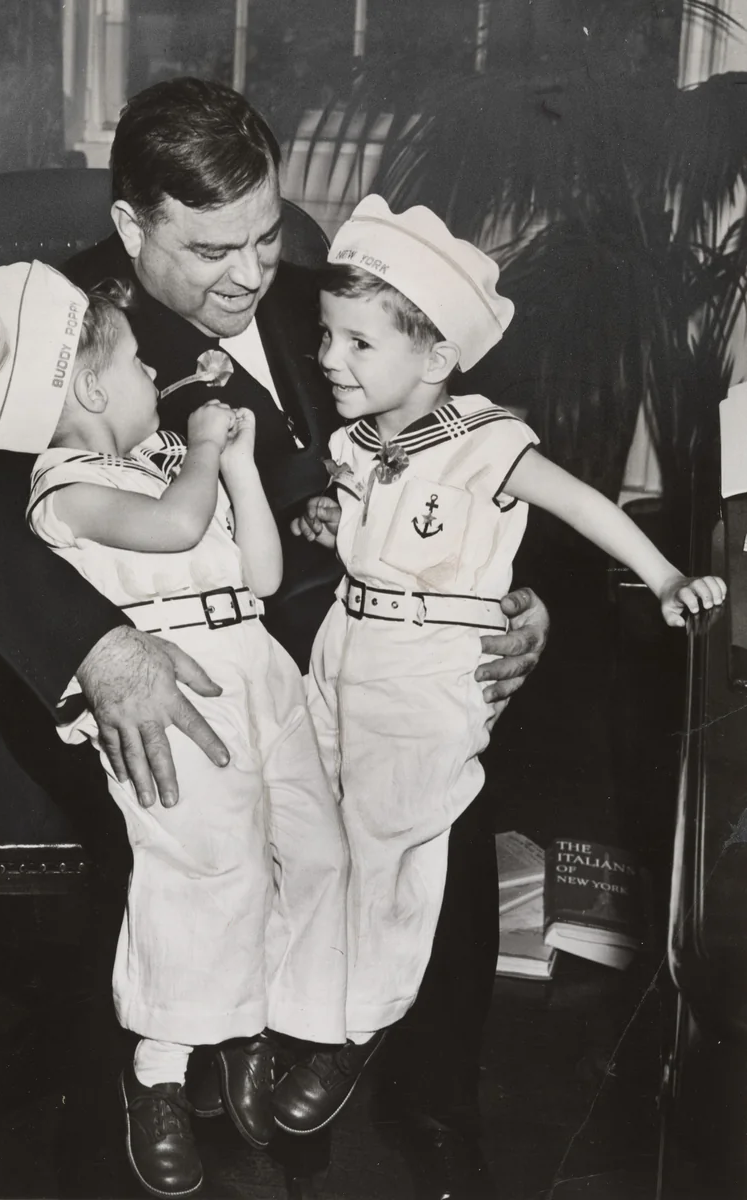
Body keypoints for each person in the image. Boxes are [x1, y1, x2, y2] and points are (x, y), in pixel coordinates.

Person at [0, 77, 549, 1192]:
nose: (252, 273)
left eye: (266, 236)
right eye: (213, 248)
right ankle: (180, 1078)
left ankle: (432, 1107)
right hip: (158, 658)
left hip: (339, 638)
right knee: (218, 829)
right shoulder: (77, 329)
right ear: (132, 227)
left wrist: (519, 595)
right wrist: (99, 653)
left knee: (437, 798)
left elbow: (479, 453)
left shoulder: (335, 299)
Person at [272, 195, 726, 1146]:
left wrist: (664, 576)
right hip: (343, 655)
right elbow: (365, 534)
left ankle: (355, 1030)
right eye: (326, 336)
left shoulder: (485, 444)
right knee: (312, 830)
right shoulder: (355, 446)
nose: (328, 360)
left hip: (426, 671)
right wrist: (330, 522)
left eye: (358, 344)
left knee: (393, 852)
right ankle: (308, 1011)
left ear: (434, 359)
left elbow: (585, 504)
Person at [0, 262, 350, 1199]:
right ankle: (160, 1071)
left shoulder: (167, 460)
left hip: (256, 668)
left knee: (314, 850)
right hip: (172, 692)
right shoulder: (63, 486)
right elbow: (174, 530)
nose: (152, 378)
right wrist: (207, 454)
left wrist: (240, 465)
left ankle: (262, 1026)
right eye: (135, 364)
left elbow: (254, 576)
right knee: (205, 867)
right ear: (90, 387)